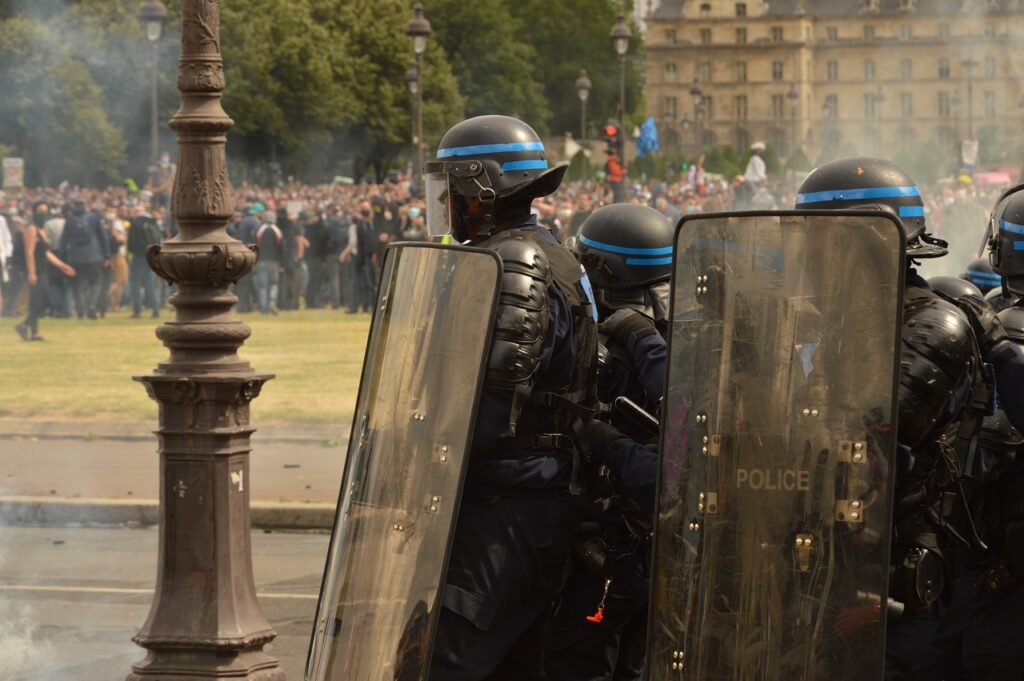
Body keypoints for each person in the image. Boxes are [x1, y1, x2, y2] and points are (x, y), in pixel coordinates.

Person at [795, 158, 1024, 680]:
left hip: (897, 579)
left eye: (819, 241)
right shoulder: (854, 321)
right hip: (842, 569)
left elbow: (865, 449)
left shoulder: (930, 324)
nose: (806, 257)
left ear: (864, 242)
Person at [422, 114, 598, 680]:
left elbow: (490, 410)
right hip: (537, 496)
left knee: (442, 661)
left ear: (482, 188)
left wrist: (423, 458)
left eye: (452, 189)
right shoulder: (554, 251)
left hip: (509, 501)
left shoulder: (514, 265)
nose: (446, 204)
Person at [545, 203, 672, 681]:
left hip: (609, 548)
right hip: (646, 550)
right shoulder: (674, 339)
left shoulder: (610, 345)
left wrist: (605, 439)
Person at [14, 214, 75, 341]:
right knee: (44, 300)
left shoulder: (41, 232)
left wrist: (62, 266)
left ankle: (33, 332)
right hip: (36, 270)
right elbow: (29, 251)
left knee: (36, 301)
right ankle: (24, 325)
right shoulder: (31, 229)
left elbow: (46, 253)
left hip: (42, 269)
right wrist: (32, 272)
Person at [59, 200, 110, 320]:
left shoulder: (70, 220)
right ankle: (91, 305)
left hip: (75, 257)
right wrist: (106, 255)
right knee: (96, 282)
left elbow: (64, 240)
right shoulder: (94, 218)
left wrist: (63, 259)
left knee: (77, 285)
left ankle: (80, 310)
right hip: (93, 256)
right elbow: (103, 237)